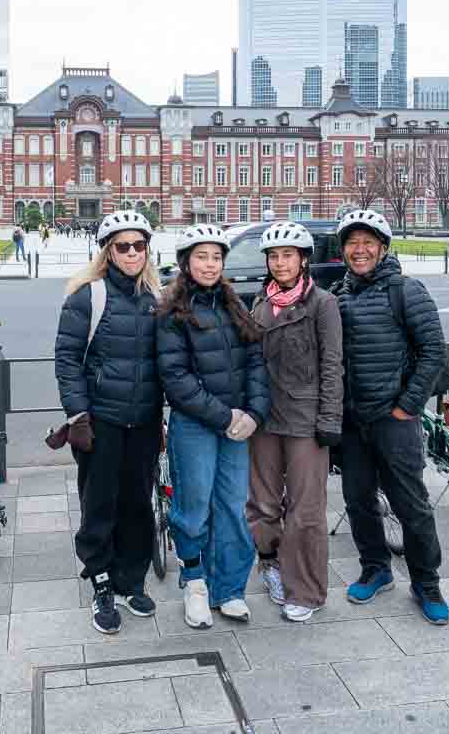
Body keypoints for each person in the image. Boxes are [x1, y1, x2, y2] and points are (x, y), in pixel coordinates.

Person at [333, 209, 449, 626]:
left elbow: (433, 351)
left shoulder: (406, 290)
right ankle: (376, 567)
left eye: (367, 242)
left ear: (382, 248)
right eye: (352, 243)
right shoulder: (339, 295)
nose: (359, 250)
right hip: (354, 420)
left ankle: (426, 581)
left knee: (410, 503)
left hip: (395, 418)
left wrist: (408, 406)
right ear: (344, 250)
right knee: (358, 499)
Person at [55, 210, 163, 635]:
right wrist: (77, 414)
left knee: (138, 502)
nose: (133, 253)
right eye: (123, 246)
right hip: (102, 420)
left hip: (144, 419)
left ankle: (130, 578)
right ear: (108, 251)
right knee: (100, 503)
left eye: (139, 245)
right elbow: (66, 360)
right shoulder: (88, 296)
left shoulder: (156, 296)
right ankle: (101, 579)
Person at [157, 225, 269, 630]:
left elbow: (256, 360)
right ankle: (195, 582)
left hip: (238, 424)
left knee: (232, 507)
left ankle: (230, 587)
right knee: (194, 509)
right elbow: (176, 378)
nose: (209, 264)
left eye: (216, 257)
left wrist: (255, 413)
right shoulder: (172, 311)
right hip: (197, 425)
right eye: (201, 256)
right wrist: (226, 417)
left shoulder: (233, 303)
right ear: (186, 262)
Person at [247, 222, 343, 622]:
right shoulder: (260, 304)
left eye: (288, 255)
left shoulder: (323, 303)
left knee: (305, 510)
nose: (280, 262)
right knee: (263, 503)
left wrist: (329, 419)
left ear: (304, 259)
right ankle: (269, 564)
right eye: (273, 256)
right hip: (266, 418)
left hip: (306, 420)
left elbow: (332, 365)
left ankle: (306, 590)